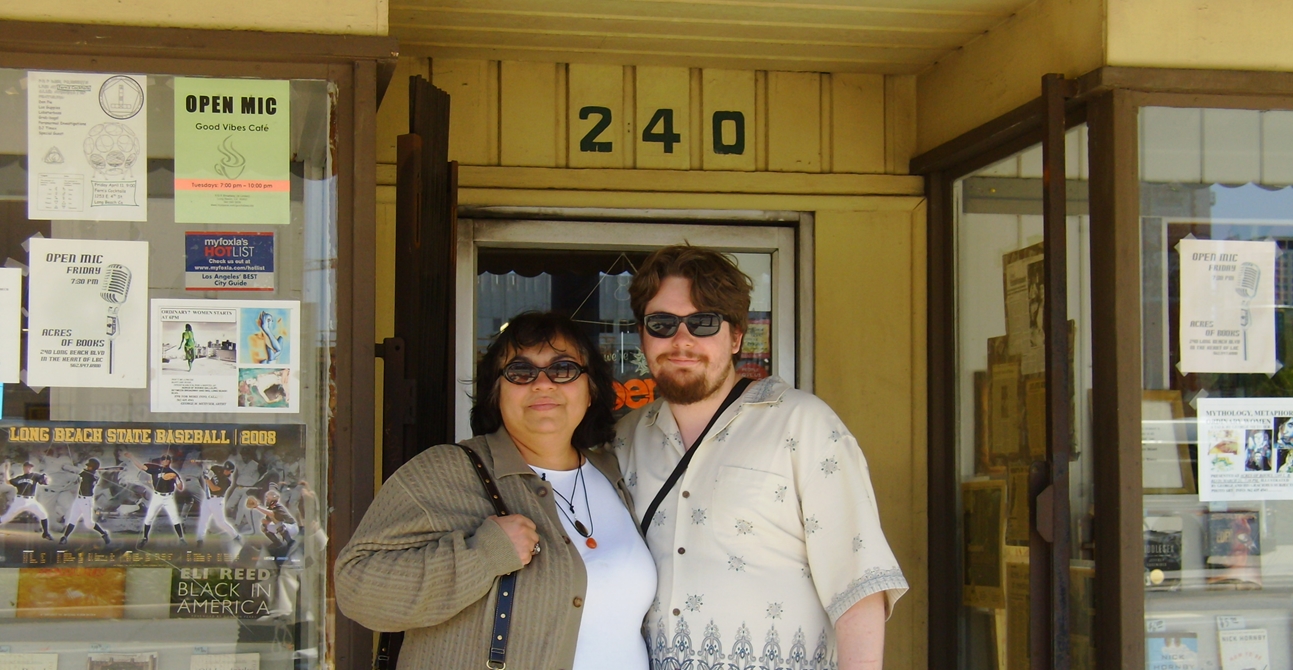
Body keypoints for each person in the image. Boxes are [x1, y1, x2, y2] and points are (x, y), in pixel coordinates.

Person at [616, 245, 907, 670]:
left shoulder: (803, 424)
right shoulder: (625, 439)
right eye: (662, 323)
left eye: (702, 322)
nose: (681, 340)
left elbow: (858, 583)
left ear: (736, 336)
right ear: (642, 334)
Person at [335, 311, 656, 670]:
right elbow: (356, 588)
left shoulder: (614, 471)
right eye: (520, 371)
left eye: (563, 369)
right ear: (496, 391)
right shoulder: (445, 472)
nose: (543, 383)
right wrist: (484, 555)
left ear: (591, 388)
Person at [122, 451, 187, 548]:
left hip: (168, 497)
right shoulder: (155, 469)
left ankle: (181, 539)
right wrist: (131, 457)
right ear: (161, 461)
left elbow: (180, 488)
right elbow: (141, 467)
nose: (165, 461)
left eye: (167, 459)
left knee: (175, 518)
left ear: (169, 461)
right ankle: (145, 538)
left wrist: (176, 479)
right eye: (163, 459)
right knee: (149, 517)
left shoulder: (173, 473)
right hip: (157, 497)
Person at [59, 457, 112, 546]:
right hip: (78, 499)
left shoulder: (91, 476)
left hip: (87, 501)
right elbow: (81, 473)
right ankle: (65, 537)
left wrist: (72, 468)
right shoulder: (89, 473)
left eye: (89, 466)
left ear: (93, 467)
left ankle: (104, 534)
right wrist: (88, 470)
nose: (87, 467)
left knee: (89, 524)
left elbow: (80, 473)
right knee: (72, 519)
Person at [1, 461, 55, 540]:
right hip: (19, 501)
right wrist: (6, 470)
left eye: (30, 467)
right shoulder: (20, 478)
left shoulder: (35, 476)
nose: (29, 468)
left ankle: (46, 533)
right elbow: (8, 481)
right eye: (27, 466)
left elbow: (45, 479)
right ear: (24, 468)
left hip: (31, 501)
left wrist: (46, 480)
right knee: (6, 518)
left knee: (43, 514)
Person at [195, 461, 241, 547]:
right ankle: (199, 540)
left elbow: (214, 488)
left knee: (220, 522)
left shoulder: (228, 480)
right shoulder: (217, 468)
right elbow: (210, 469)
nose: (226, 471)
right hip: (207, 498)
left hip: (217, 500)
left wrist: (207, 479)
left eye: (228, 470)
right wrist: (206, 469)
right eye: (225, 469)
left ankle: (236, 536)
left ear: (231, 472)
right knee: (203, 519)